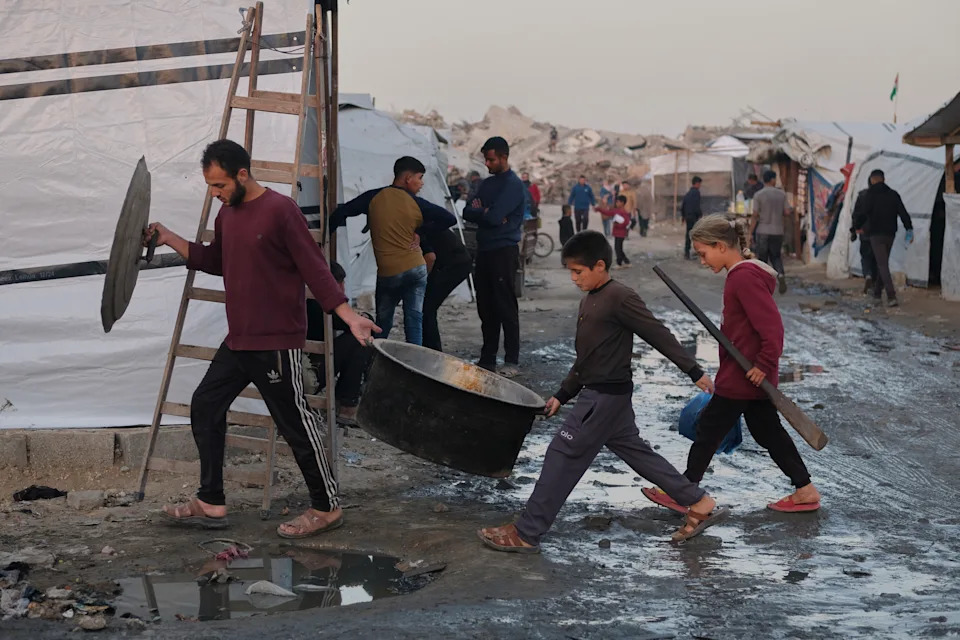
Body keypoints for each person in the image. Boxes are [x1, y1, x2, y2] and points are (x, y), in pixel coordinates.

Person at [148, 139, 378, 538]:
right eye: (211, 186)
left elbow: (315, 268)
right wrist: (170, 237)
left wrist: (348, 315)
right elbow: (215, 261)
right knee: (205, 405)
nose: (215, 194)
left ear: (242, 174)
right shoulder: (227, 215)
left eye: (220, 185)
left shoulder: (280, 210)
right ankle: (211, 501)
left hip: (274, 341)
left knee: (296, 423)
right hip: (239, 338)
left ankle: (327, 507)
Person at [476, 231, 725, 553]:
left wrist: (693, 371)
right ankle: (699, 501)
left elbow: (657, 333)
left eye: (578, 271)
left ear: (600, 266)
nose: (574, 278)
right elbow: (586, 359)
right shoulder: (589, 300)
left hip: (603, 399)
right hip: (608, 401)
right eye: (571, 272)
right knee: (638, 453)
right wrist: (562, 395)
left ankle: (527, 532)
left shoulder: (620, 296)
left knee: (561, 455)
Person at [644, 214, 822, 515]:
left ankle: (685, 491)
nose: (703, 261)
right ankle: (805, 490)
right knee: (767, 433)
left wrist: (763, 364)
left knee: (709, 431)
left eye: (703, 254)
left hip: (744, 376)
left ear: (721, 246)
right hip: (747, 376)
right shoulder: (742, 275)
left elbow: (772, 329)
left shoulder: (743, 277)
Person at [330, 156, 456, 345]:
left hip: (388, 273)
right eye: (420, 178)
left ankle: (376, 358)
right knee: (414, 322)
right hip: (416, 269)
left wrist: (323, 241)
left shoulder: (373, 197)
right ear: (408, 178)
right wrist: (420, 231)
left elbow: (342, 212)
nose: (421, 183)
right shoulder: (418, 204)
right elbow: (449, 219)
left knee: (383, 324)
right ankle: (413, 361)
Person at [462, 136, 526, 377]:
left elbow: (492, 216)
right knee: (486, 306)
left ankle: (511, 360)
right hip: (485, 251)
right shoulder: (486, 184)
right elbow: (468, 211)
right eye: (486, 160)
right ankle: (487, 358)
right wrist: (485, 212)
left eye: (491, 160)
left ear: (503, 157)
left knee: (505, 305)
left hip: (503, 251)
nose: (487, 164)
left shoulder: (513, 185)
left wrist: (484, 211)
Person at [305, 261, 373, 425]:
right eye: (340, 283)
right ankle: (347, 405)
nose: (343, 288)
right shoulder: (318, 304)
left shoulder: (308, 299)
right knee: (359, 342)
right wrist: (362, 317)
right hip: (307, 372)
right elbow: (360, 325)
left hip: (304, 366)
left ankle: (345, 400)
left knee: (355, 340)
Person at [851, 169, 914, 307]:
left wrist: (855, 227)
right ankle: (877, 293)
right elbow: (903, 212)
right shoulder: (893, 194)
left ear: (872, 180)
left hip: (875, 234)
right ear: (884, 179)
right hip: (890, 233)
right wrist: (909, 228)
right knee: (883, 262)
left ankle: (891, 296)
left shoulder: (869, 195)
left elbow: (862, 214)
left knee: (882, 264)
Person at [420, 227, 472, 352]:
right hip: (451, 260)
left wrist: (421, 280)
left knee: (427, 307)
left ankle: (432, 349)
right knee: (426, 306)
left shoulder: (418, 229)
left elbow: (430, 257)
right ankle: (428, 346)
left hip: (453, 263)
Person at [749, 170, 790, 294]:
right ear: (772, 180)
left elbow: (755, 215)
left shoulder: (758, 195)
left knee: (762, 258)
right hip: (777, 231)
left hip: (763, 230)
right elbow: (787, 212)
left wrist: (750, 232)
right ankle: (780, 274)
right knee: (776, 256)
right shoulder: (782, 194)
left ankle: (763, 283)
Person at [850, 188, 877, 294]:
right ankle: (874, 283)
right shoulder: (884, 195)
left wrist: (854, 229)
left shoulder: (862, 196)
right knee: (876, 258)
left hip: (865, 231)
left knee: (865, 256)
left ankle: (868, 275)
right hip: (878, 233)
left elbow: (856, 215)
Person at [596, 195, 632, 268]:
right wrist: (599, 209)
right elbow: (607, 213)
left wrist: (618, 225)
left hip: (621, 233)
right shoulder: (616, 211)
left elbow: (626, 222)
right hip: (617, 233)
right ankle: (626, 261)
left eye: (618, 202)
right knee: (619, 248)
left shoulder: (624, 212)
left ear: (622, 203)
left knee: (618, 248)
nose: (616, 203)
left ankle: (619, 263)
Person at [681, 176, 703, 259]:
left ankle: (687, 252)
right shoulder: (696, 193)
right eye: (699, 184)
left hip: (688, 217)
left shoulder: (688, 193)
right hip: (694, 217)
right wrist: (700, 214)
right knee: (696, 234)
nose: (700, 185)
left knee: (688, 234)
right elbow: (696, 205)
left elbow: (683, 205)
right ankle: (698, 251)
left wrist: (683, 217)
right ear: (697, 183)